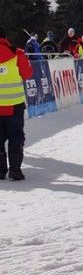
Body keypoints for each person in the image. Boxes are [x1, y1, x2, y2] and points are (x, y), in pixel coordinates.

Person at [0, 27, 33, 181]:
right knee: (16, 137)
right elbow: (27, 73)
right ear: (5, 37)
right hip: (14, 106)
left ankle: (0, 171)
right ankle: (15, 170)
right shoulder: (17, 53)